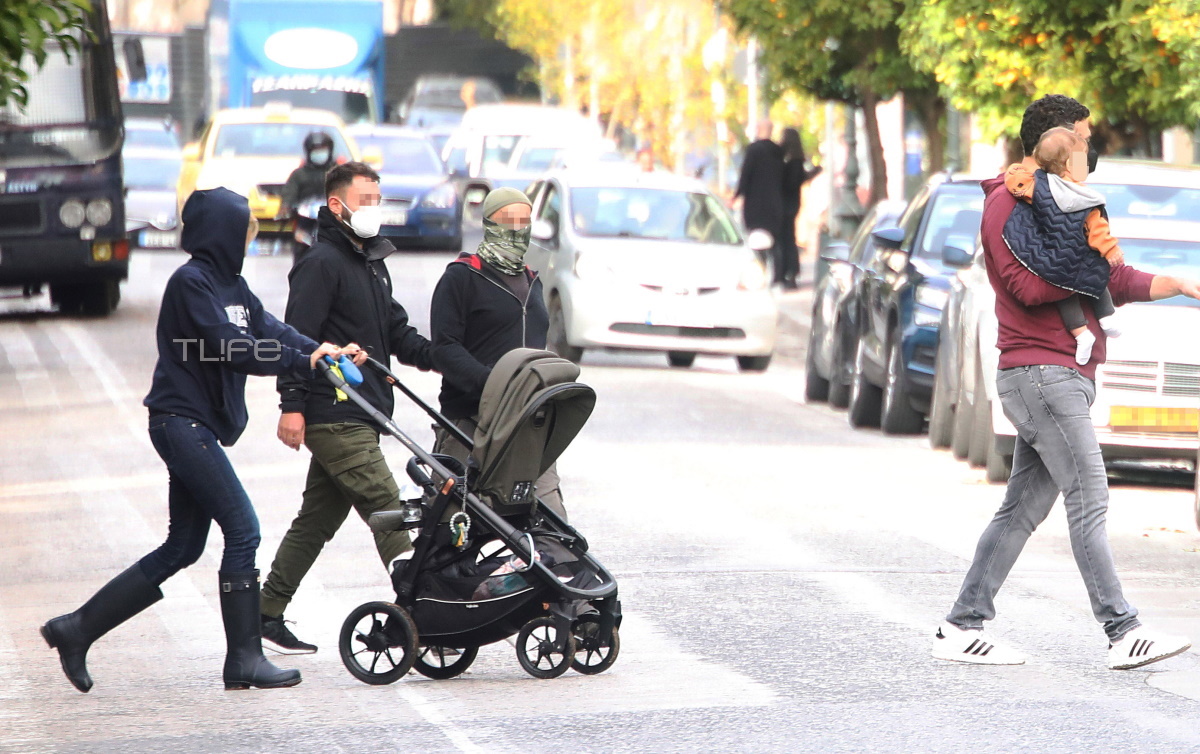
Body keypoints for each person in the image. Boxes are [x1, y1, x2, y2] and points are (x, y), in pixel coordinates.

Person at [40, 188, 355, 692]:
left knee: (182, 546)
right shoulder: (191, 283)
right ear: (220, 232)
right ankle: (244, 658)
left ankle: (76, 630)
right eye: (243, 231)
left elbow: (270, 326)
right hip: (180, 423)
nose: (247, 240)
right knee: (243, 529)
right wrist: (301, 362)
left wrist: (322, 349)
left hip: (198, 426)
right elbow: (234, 348)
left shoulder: (233, 285)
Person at [931, 94, 1200, 670]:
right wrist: (1087, 271)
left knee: (1021, 511)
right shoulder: (1007, 203)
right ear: (1060, 139)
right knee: (1090, 496)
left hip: (1063, 374)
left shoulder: (1067, 202)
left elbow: (1112, 275)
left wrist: (1174, 282)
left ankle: (962, 623)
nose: (1091, 144)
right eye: (1084, 134)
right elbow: (1026, 286)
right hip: (1040, 373)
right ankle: (1122, 629)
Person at [259, 162, 435, 654]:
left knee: (316, 520)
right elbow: (296, 339)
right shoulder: (321, 264)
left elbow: (395, 332)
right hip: (333, 411)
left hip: (363, 408)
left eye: (378, 201)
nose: (374, 210)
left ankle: (264, 613)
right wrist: (291, 406)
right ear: (337, 205)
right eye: (366, 201)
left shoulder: (371, 261)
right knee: (390, 509)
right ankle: (431, 609)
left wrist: (441, 357)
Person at [429, 187, 564, 516]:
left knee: (550, 525)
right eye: (508, 220)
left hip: (527, 424)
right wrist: (494, 384)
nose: (518, 228)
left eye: (525, 220)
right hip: (470, 421)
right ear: (489, 222)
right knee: (451, 524)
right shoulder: (461, 277)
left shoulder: (533, 281)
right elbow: (445, 348)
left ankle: (548, 565)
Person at [1004, 127, 1122, 365]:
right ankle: (1107, 316)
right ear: (1070, 164)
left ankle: (1081, 334)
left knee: (1062, 293)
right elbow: (1096, 229)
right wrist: (1110, 250)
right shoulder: (1084, 196)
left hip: (1055, 257)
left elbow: (1017, 185)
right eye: (1082, 160)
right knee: (1096, 277)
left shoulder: (1040, 187)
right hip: (1080, 255)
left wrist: (1014, 169)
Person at [733, 120, 785, 284]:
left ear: (758, 129)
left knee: (755, 240)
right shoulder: (778, 152)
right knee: (774, 242)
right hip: (775, 203)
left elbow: (746, 175)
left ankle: (760, 273)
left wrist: (738, 194)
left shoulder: (753, 150)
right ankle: (778, 276)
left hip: (755, 204)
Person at [779, 127, 823, 290]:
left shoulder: (789, 161)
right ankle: (790, 272)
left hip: (786, 203)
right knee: (789, 237)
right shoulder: (796, 160)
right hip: (792, 202)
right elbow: (799, 179)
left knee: (787, 239)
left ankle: (788, 272)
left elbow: (791, 182)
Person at [280, 131, 335, 217]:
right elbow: (289, 193)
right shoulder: (299, 175)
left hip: (334, 219)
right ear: (308, 152)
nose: (319, 152)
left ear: (330, 150)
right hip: (304, 220)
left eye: (322, 149)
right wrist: (286, 207)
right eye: (316, 150)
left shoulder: (339, 173)